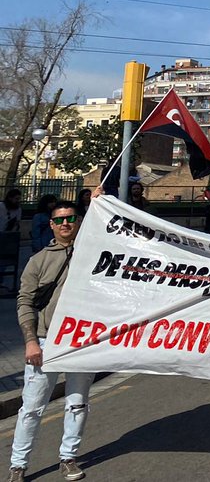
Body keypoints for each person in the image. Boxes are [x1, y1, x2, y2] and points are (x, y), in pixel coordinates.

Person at [10, 200, 92, 481]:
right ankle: (18, 465)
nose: (65, 224)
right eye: (59, 220)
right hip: (46, 342)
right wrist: (30, 341)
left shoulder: (93, 254)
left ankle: (68, 457)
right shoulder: (39, 260)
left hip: (83, 341)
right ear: (51, 224)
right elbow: (25, 302)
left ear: (78, 221)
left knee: (77, 403)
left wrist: (99, 201)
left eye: (70, 218)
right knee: (31, 408)